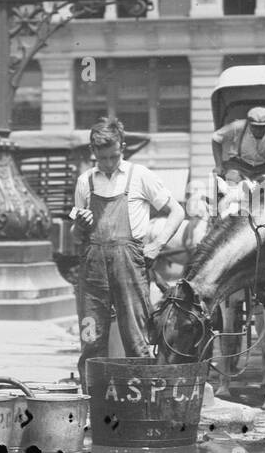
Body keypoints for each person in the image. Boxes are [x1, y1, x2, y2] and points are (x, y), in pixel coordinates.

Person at [72, 117, 185, 386]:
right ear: (94, 152)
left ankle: (142, 398)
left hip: (130, 266)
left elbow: (177, 211)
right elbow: (76, 237)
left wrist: (157, 245)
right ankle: (92, 400)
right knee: (91, 339)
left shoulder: (140, 175)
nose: (109, 164)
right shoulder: (84, 182)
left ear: (122, 147)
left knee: (136, 339)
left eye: (114, 156)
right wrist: (79, 225)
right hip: (93, 270)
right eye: (103, 158)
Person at [211, 107, 265, 183]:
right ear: (248, 122)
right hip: (237, 165)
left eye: (262, 127)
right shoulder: (237, 126)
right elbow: (216, 138)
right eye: (254, 126)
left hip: (262, 168)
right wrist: (218, 165)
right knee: (232, 181)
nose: (258, 130)